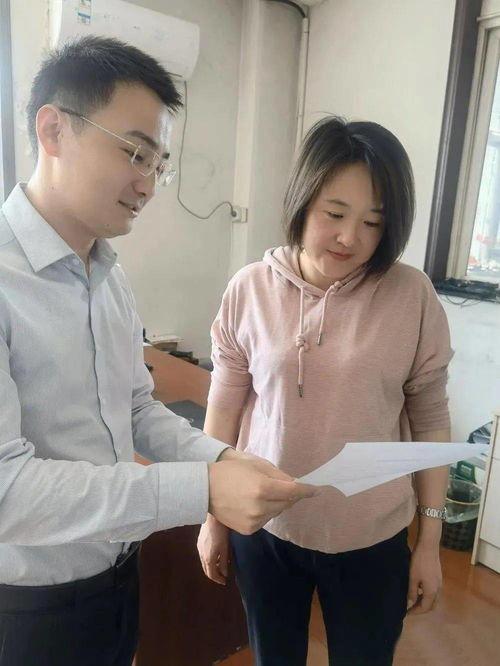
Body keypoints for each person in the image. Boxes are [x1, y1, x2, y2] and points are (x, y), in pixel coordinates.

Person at [0, 36, 316, 666]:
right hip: (26, 605)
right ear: (54, 130)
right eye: (135, 153)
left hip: (117, 575)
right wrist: (202, 488)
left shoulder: (109, 277)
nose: (148, 185)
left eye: (159, 163)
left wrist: (225, 457)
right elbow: (8, 493)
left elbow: (139, 410)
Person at [197, 116, 453, 666]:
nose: (349, 237)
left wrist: (430, 541)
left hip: (372, 535)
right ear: (302, 199)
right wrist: (212, 516)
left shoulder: (411, 296)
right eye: (334, 214)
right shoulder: (249, 288)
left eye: (373, 222)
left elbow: (431, 419)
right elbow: (223, 411)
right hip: (265, 527)